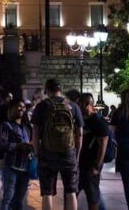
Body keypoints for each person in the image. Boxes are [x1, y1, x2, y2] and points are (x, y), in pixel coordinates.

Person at [31, 78, 83, 210]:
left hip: (47, 152)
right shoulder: (73, 106)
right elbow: (80, 134)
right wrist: (76, 154)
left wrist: (36, 153)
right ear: (60, 89)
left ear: (47, 90)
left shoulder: (42, 106)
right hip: (68, 151)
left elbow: (35, 132)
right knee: (71, 191)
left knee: (47, 192)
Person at [0, 98, 32, 210]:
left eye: (23, 107)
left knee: (19, 200)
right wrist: (17, 146)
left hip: (25, 169)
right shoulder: (6, 126)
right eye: (19, 106)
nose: (22, 108)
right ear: (11, 109)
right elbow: (1, 144)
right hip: (11, 167)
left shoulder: (27, 128)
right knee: (8, 198)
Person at [78, 93, 108, 210]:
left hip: (91, 164)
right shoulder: (80, 119)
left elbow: (103, 145)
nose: (78, 107)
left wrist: (97, 166)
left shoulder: (99, 121)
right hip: (79, 163)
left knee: (92, 196)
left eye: (80, 104)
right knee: (72, 193)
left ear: (86, 104)